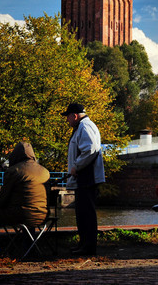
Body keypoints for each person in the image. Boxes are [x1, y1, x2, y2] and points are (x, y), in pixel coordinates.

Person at [0, 141, 50, 254]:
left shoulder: (14, 171)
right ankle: (29, 248)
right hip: (43, 216)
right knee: (28, 213)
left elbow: (1, 200)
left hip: (21, 215)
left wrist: (1, 205)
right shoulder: (45, 171)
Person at [62, 102, 105, 256]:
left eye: (67, 117)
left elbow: (91, 149)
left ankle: (88, 247)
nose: (67, 120)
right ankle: (84, 245)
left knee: (86, 213)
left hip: (87, 177)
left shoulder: (85, 126)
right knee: (82, 213)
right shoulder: (82, 127)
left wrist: (76, 166)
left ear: (74, 115)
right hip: (85, 178)